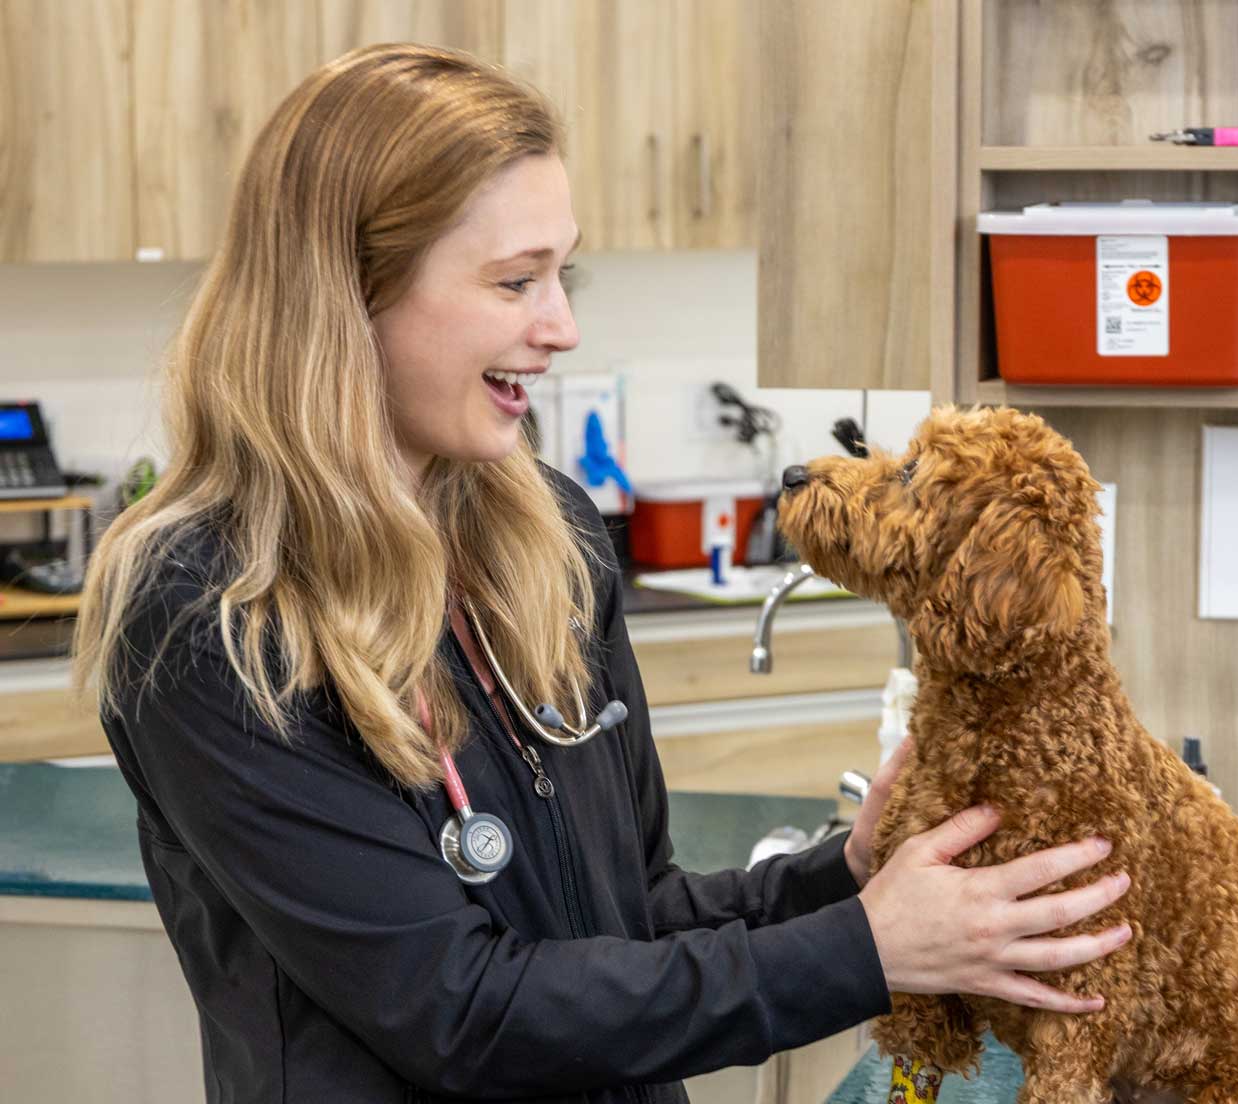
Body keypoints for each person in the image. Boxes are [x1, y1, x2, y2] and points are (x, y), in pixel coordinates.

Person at [73, 44, 1131, 1104]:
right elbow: (460, 1012)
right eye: (514, 282)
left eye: (562, 276)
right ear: (348, 292)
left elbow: (636, 916)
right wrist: (862, 949)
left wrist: (844, 881)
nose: (562, 328)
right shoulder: (210, 610)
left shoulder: (549, 539)